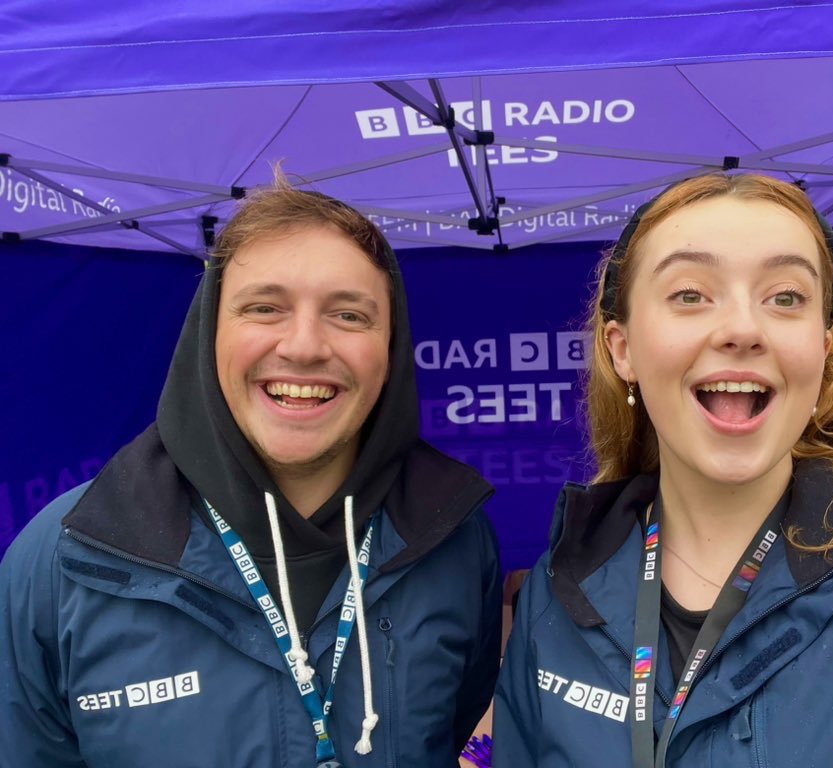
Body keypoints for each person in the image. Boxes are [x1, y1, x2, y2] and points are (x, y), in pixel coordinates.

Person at [493, 173, 833, 767]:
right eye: (690, 294)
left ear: (822, 349)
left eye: (786, 297)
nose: (743, 330)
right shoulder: (557, 592)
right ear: (624, 349)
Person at [0, 173, 502, 767]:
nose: (304, 346)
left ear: (390, 350)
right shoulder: (66, 557)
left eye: (349, 315)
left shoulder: (453, 539)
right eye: (264, 308)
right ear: (208, 335)